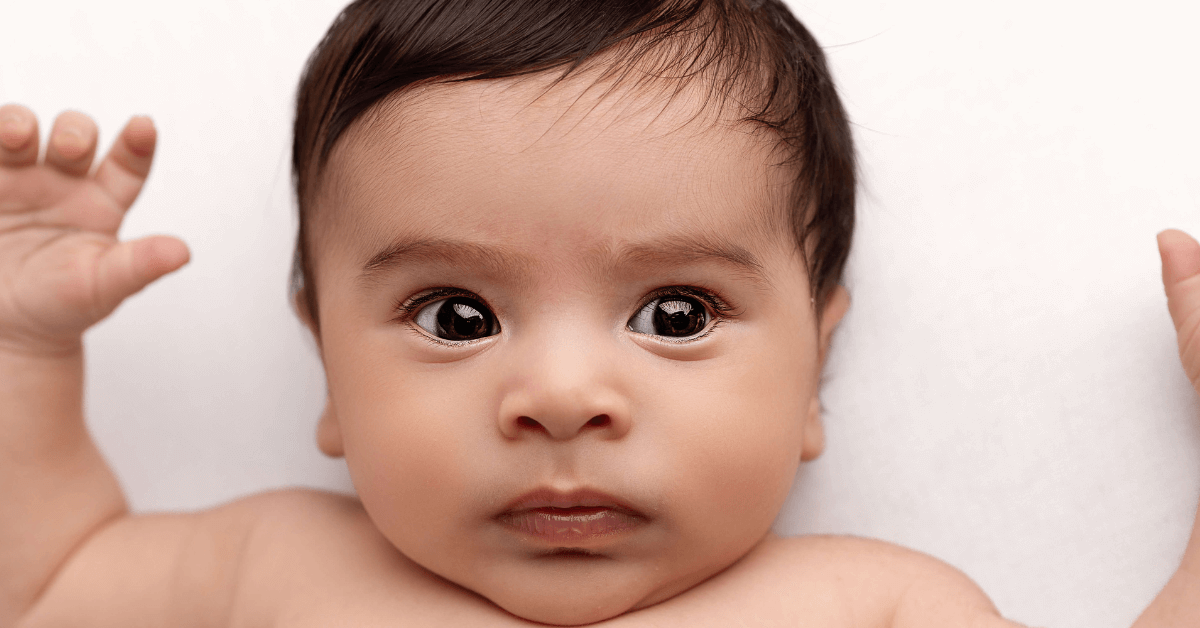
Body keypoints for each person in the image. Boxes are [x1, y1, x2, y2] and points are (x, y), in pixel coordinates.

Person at [2, 1, 1198, 626]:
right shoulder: (276, 564)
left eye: (677, 312)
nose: (565, 396)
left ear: (814, 371)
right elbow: (44, 589)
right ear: (327, 371)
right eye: (456, 315)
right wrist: (22, 349)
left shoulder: (866, 606)